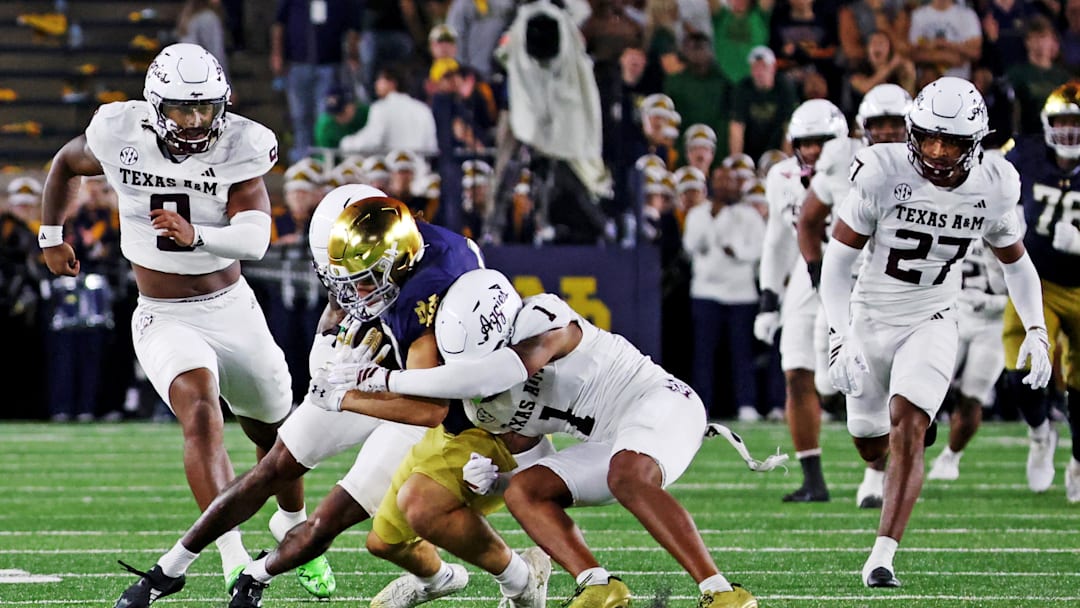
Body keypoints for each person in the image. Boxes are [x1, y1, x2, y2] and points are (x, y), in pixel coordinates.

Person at [111, 187, 483, 608]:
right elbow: (340, 304)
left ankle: (508, 580)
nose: (353, 294)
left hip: (417, 401)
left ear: (392, 256)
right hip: (370, 371)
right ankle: (169, 568)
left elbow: (427, 405)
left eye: (361, 281)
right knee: (274, 466)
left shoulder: (434, 285)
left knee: (340, 514)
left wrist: (345, 395)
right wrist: (328, 347)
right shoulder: (376, 245)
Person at [325, 268, 784, 608]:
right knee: (528, 491)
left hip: (658, 403)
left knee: (628, 474)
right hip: (607, 440)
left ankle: (721, 592)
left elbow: (510, 367)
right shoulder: (483, 402)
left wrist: (388, 381)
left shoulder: (543, 317)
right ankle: (599, 584)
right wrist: (495, 482)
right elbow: (527, 452)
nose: (476, 375)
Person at [36, 43, 305, 604]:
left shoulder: (241, 145)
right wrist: (51, 234)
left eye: (206, 108)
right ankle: (234, 560)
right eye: (184, 110)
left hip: (232, 307)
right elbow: (66, 163)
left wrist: (197, 235)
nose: (197, 121)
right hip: (163, 314)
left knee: (275, 436)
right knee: (201, 412)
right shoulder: (118, 132)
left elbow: (256, 237)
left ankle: (292, 524)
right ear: (157, 106)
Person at [819, 76, 1052, 587]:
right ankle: (894, 450)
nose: (938, 150)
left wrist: (1036, 327)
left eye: (951, 141)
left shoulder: (994, 184)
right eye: (928, 137)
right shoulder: (881, 172)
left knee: (908, 422)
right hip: (871, 316)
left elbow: (1016, 263)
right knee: (868, 444)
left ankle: (882, 555)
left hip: (934, 316)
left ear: (976, 143)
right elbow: (836, 265)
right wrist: (840, 335)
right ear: (912, 133)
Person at [796, 83, 913, 508]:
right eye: (877, 124)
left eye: (894, 123)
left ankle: (875, 476)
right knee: (829, 383)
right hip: (851, 291)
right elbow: (808, 220)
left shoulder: (933, 165)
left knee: (891, 382)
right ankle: (889, 441)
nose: (885, 132)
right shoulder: (844, 160)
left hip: (909, 293)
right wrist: (817, 270)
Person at [754, 98, 848, 503]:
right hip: (807, 281)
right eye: (805, 142)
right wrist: (768, 299)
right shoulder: (782, 176)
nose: (812, 151)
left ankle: (878, 472)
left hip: (856, 279)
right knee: (795, 369)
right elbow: (777, 240)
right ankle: (813, 478)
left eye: (821, 142)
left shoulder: (861, 172)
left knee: (843, 378)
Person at [1002, 81, 1080, 503]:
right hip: (1039, 281)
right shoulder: (1025, 155)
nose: (1069, 131)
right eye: (1062, 121)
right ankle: (1038, 433)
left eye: (1076, 122)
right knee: (1021, 370)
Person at [926, 240, 1007, 481]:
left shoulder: (1017, 221)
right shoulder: (953, 212)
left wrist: (995, 302)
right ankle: (908, 453)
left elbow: (1029, 282)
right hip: (951, 313)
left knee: (973, 396)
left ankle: (951, 456)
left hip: (996, 323)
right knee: (925, 386)